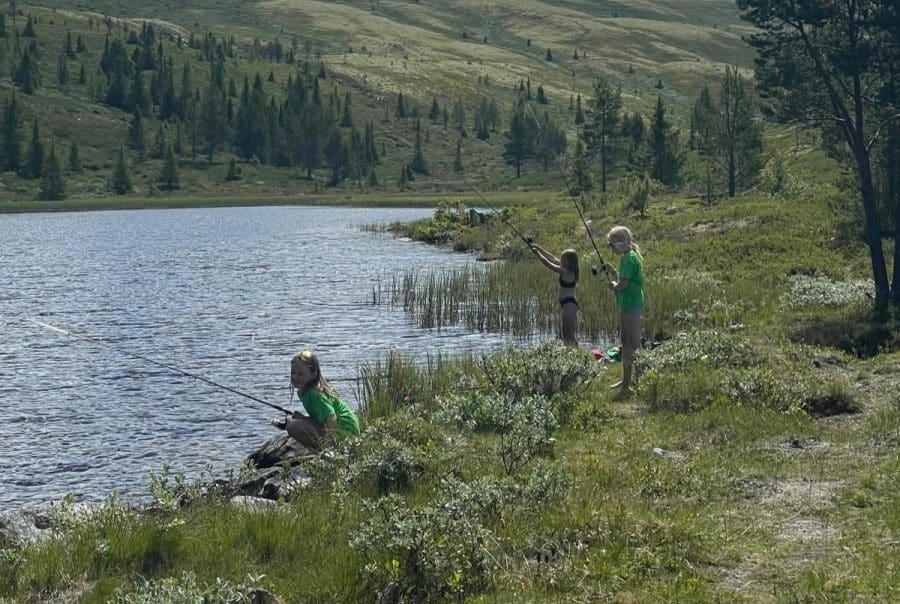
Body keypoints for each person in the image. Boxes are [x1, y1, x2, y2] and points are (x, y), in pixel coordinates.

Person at [271, 350, 360, 448]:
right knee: (295, 422)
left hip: (346, 434)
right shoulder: (303, 392)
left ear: (314, 374)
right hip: (339, 431)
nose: (295, 377)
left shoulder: (316, 394)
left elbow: (331, 418)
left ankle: (325, 450)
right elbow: (320, 419)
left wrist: (328, 443)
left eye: (301, 374)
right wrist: (304, 419)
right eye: (293, 373)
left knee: (293, 426)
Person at [603, 226, 644, 394]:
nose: (610, 248)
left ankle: (637, 381)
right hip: (628, 304)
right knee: (626, 343)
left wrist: (613, 286)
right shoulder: (630, 256)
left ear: (620, 244)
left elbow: (623, 285)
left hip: (630, 304)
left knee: (632, 344)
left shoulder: (628, 259)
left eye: (610, 245)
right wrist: (612, 271)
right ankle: (626, 381)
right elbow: (625, 277)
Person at [529, 243, 580, 346]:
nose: (561, 260)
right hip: (566, 305)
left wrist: (538, 254)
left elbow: (549, 264)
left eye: (563, 259)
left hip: (569, 305)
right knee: (566, 333)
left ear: (569, 261)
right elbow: (551, 258)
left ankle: (577, 355)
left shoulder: (567, 271)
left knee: (568, 334)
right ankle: (572, 353)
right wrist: (539, 247)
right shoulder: (565, 268)